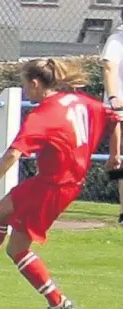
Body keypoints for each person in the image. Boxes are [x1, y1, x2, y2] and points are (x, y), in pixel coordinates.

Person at [0, 58, 121, 309]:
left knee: (17, 249)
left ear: (35, 83)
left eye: (25, 85)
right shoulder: (79, 101)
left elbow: (13, 153)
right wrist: (114, 155)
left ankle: (58, 302)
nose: (26, 90)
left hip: (55, 186)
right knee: (3, 209)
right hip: (55, 182)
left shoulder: (43, 115)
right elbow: (115, 118)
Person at [100, 8, 123, 224]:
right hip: (120, 107)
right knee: (117, 159)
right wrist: (114, 95)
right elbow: (109, 67)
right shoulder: (117, 39)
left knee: (118, 160)